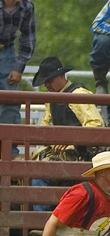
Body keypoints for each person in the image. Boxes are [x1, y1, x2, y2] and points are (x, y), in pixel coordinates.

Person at [29, 57, 105, 211]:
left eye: (49, 80)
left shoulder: (78, 94)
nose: (47, 85)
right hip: (61, 153)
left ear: (60, 76)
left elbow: (96, 124)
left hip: (81, 153)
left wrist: (70, 139)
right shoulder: (52, 99)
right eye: (46, 81)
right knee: (35, 167)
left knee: (41, 172)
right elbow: (46, 125)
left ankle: (43, 219)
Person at [0, 0, 37, 126]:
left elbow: (28, 37)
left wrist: (19, 67)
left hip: (7, 51)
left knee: (10, 99)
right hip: (7, 51)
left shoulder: (27, 6)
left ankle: (9, 147)